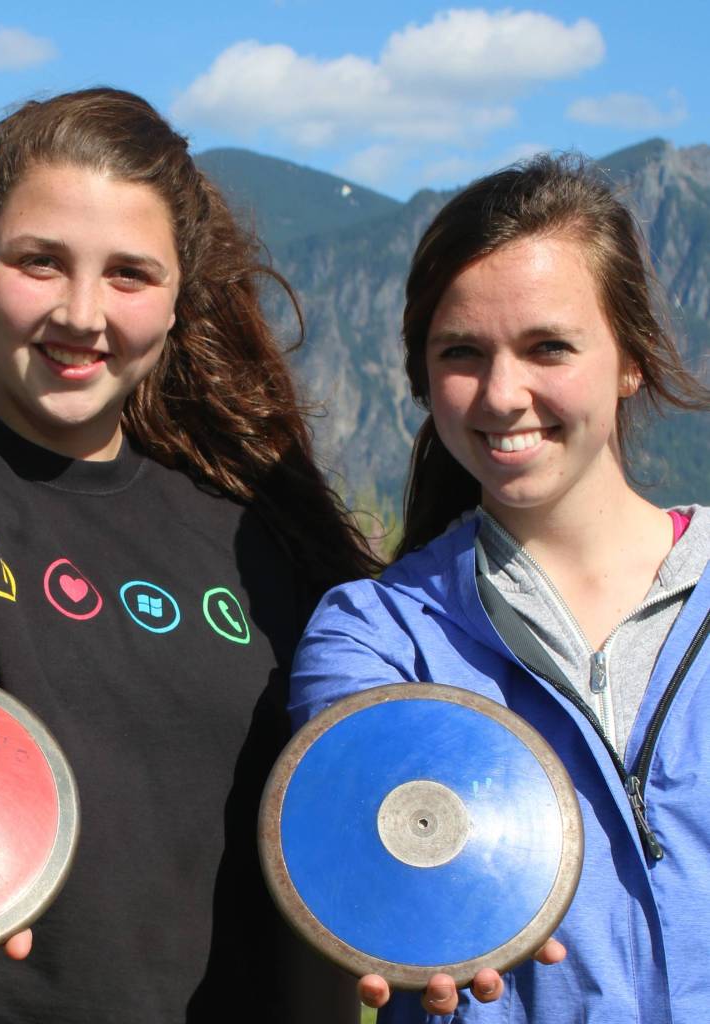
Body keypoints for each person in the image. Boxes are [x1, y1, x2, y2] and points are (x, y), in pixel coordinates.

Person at [0, 87, 389, 1023]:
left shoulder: (258, 533)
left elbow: (315, 839)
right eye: (40, 261)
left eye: (128, 275)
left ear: (180, 298)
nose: (80, 311)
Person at [290, 154, 710, 1023]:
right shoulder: (374, 639)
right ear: (420, 377)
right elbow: (367, 851)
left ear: (629, 360)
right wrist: (395, 912)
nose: (502, 393)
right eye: (462, 354)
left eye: (547, 346)